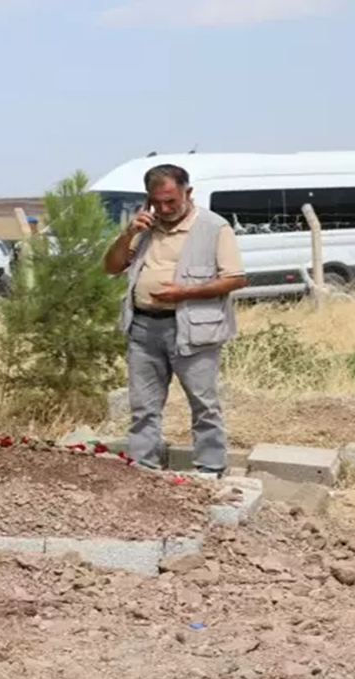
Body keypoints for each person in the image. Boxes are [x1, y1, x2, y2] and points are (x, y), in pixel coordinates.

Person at [103, 164, 247, 477]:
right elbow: (111, 267)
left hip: (192, 329)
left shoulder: (213, 227)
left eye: (172, 201)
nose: (165, 209)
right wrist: (128, 233)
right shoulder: (143, 228)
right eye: (158, 202)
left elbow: (235, 279)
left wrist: (186, 292)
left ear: (188, 192)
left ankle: (210, 466)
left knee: (203, 402)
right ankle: (144, 466)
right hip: (143, 327)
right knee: (143, 405)